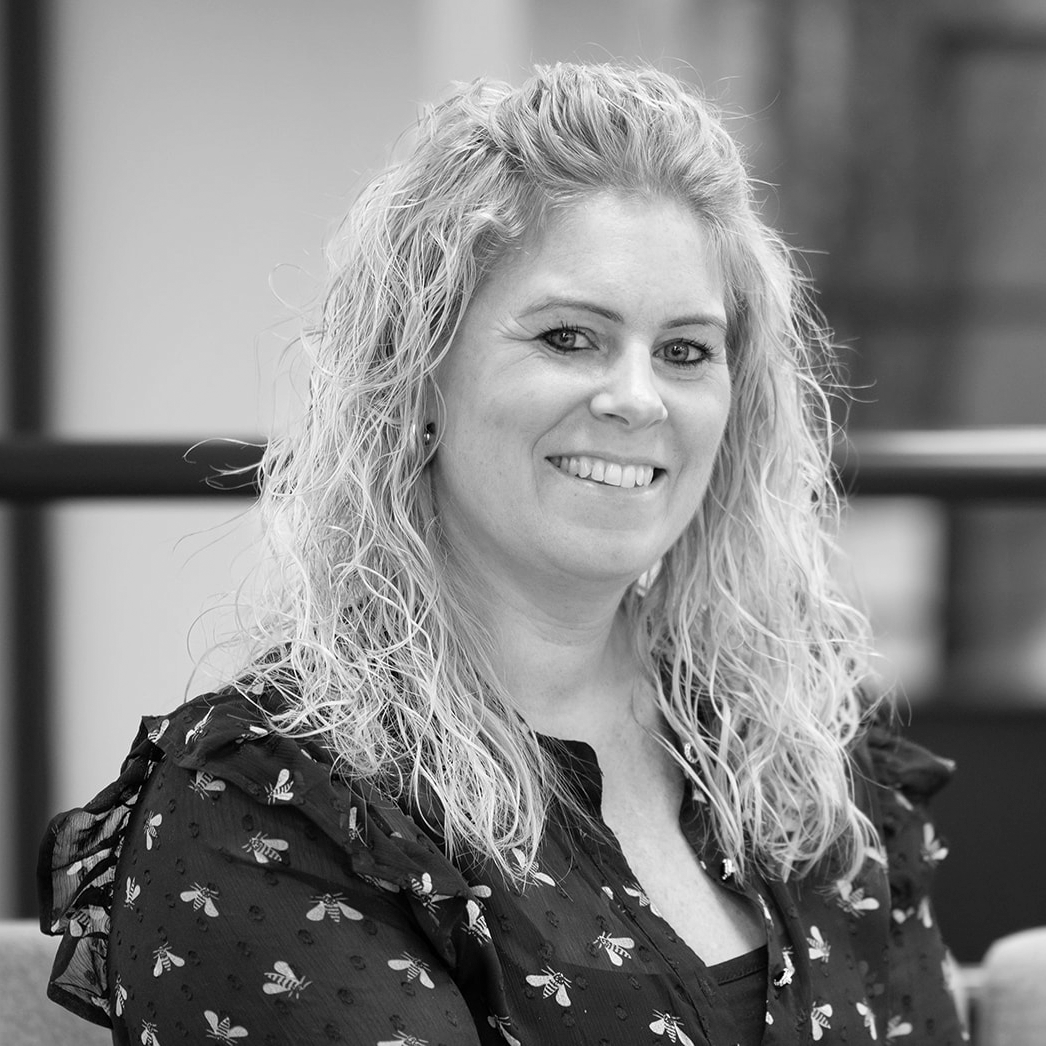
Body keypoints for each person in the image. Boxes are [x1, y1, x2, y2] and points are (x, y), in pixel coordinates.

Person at [39, 63, 966, 1045]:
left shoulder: (797, 758)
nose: (637, 398)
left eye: (685, 351)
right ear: (420, 370)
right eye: (570, 337)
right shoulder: (270, 807)